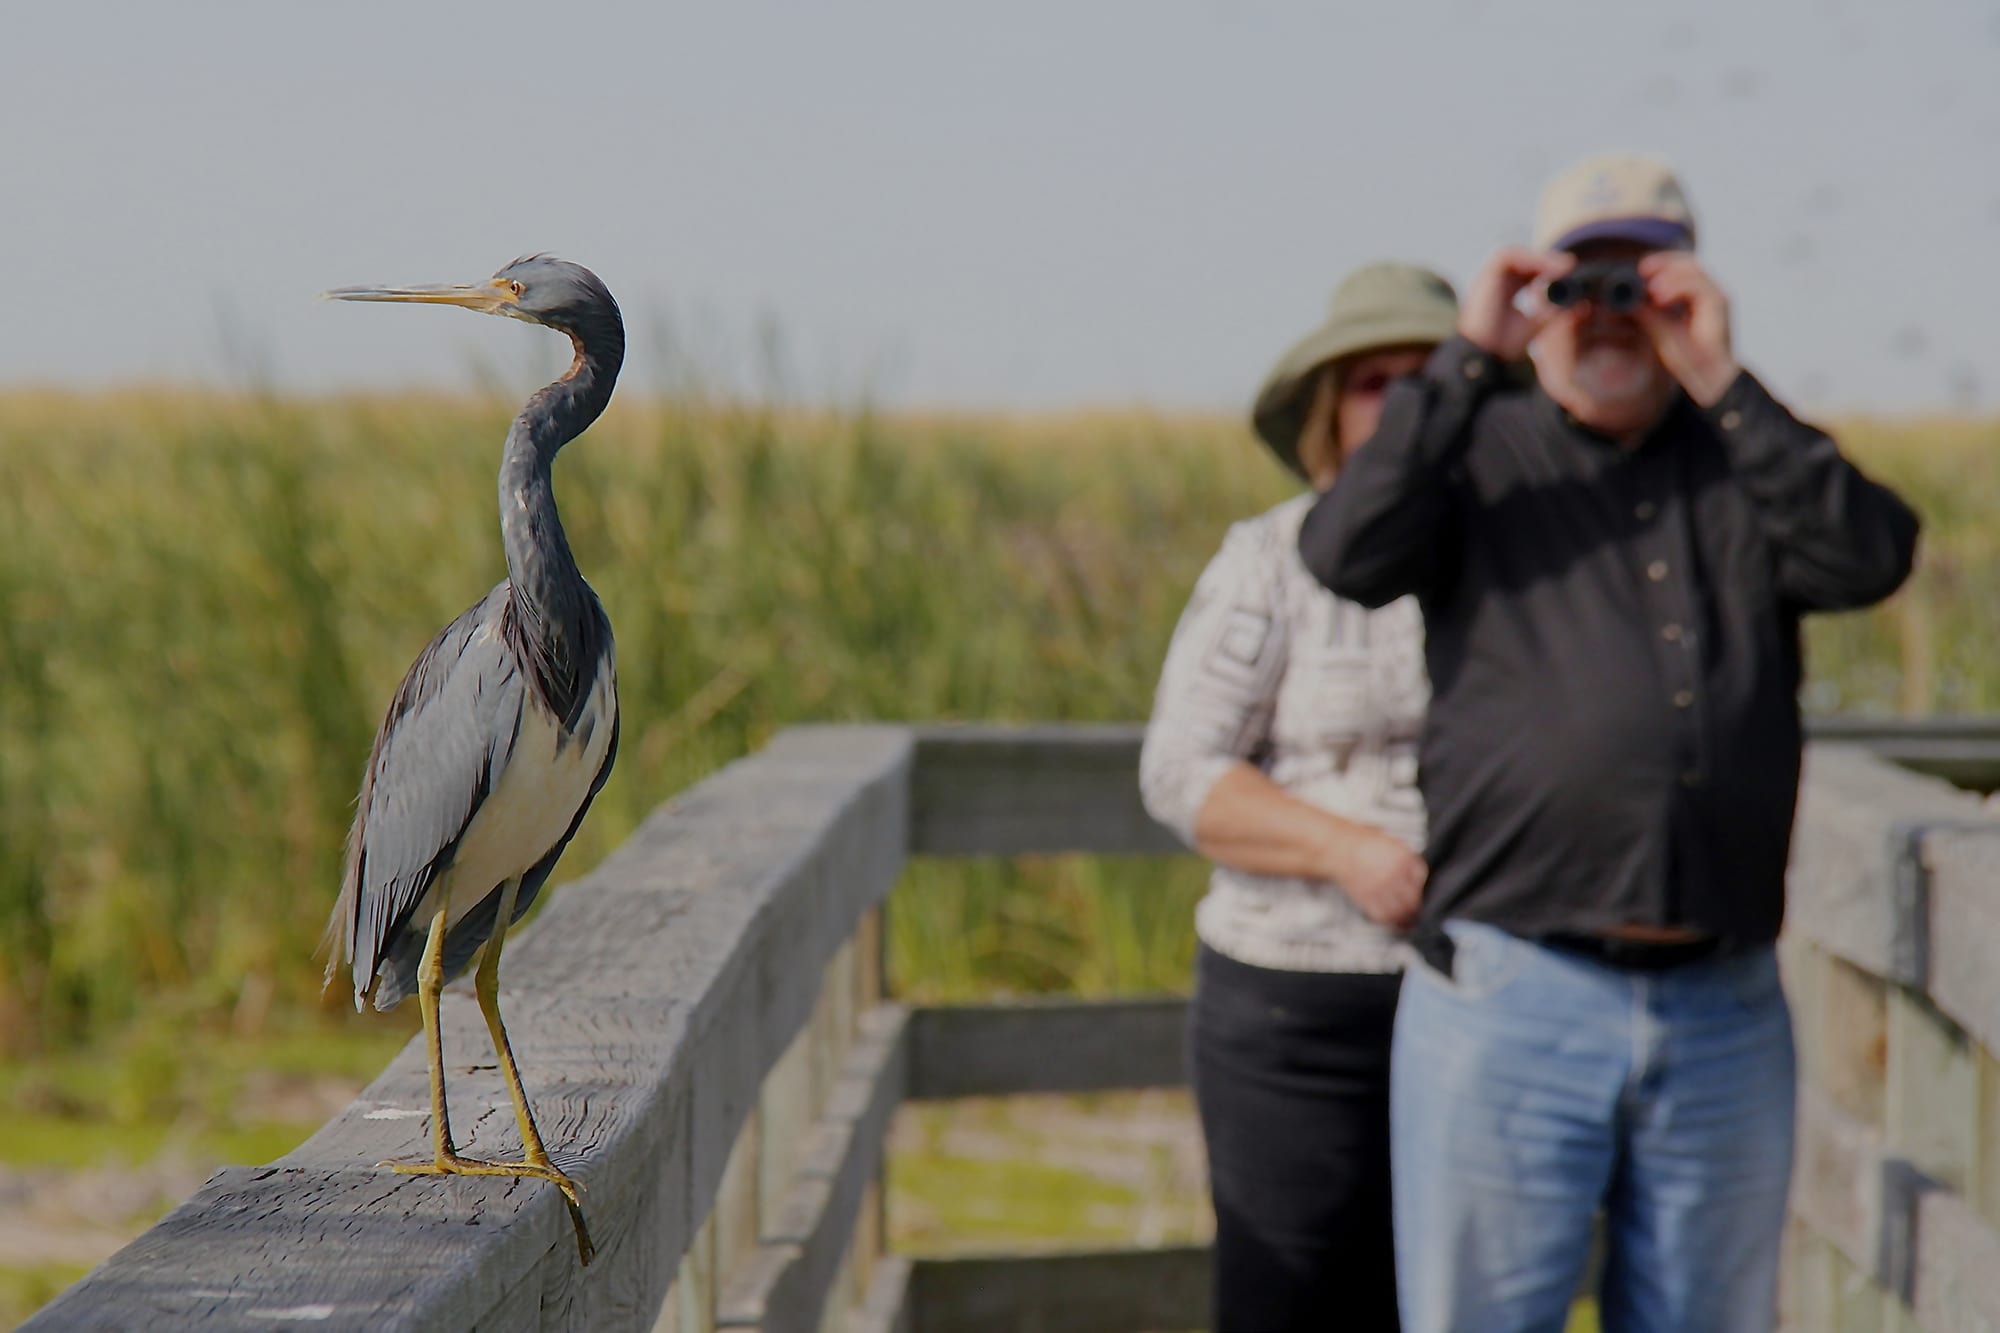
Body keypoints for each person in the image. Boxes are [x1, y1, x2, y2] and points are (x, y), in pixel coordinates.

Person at [1299, 153, 1921, 1331]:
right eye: (1577, 281)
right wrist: (1465, 359)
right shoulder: (1477, 451)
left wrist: (1720, 375)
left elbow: (1870, 556)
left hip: (1722, 1006)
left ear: (1683, 283)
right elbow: (1343, 551)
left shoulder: (1740, 457)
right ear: (1536, 293)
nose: (1607, 313)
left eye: (1635, 281)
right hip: (1509, 993)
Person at [1140, 261, 1460, 1332]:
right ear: (1331, 408)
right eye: (1377, 382)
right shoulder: (1269, 561)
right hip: (1296, 1009)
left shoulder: (1524, 559)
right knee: (1292, 1300)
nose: (1405, 405)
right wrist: (1349, 851)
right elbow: (1180, 771)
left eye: (1431, 378)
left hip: (1482, 1000)